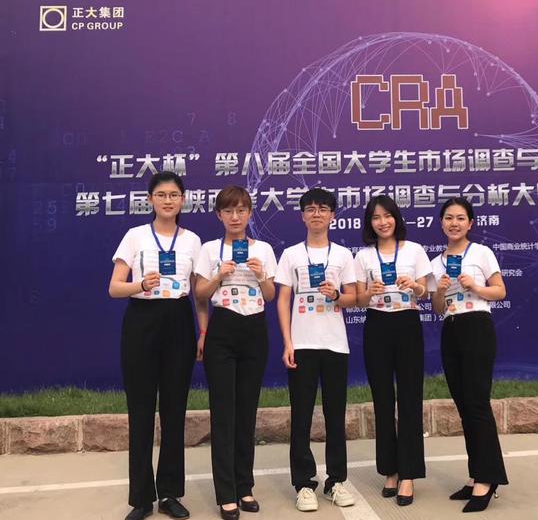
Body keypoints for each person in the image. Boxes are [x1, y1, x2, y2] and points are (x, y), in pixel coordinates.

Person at [108, 171, 206, 520]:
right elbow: (114, 288)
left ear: (183, 200)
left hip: (179, 323)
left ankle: (169, 493)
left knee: (174, 412)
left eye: (174, 195)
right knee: (141, 412)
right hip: (141, 324)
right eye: (161, 195)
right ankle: (141, 499)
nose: (168, 200)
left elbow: (199, 294)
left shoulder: (192, 241)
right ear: (150, 199)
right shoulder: (135, 236)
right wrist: (140, 284)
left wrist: (203, 332)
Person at [194, 186, 277, 520]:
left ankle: (245, 486)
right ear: (219, 215)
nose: (235, 216)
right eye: (228, 210)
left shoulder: (264, 249)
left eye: (241, 210)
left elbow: (270, 295)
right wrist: (219, 274)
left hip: (254, 329)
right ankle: (225, 493)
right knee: (224, 412)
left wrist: (260, 275)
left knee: (247, 411)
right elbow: (200, 294)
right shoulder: (209, 249)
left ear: (250, 213)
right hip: (223, 329)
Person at [274, 188, 358, 512]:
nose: (317, 214)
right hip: (302, 345)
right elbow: (283, 299)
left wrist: (336, 295)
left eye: (323, 209)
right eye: (310, 209)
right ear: (302, 216)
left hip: (335, 344)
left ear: (332, 215)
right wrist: (288, 342)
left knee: (335, 415)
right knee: (301, 416)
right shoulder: (291, 254)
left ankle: (336, 481)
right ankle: (303, 483)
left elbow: (353, 297)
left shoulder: (343, 255)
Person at [429, 197, 509, 513]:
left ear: (470, 223)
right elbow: (437, 308)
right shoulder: (436, 263)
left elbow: (500, 291)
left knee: (477, 403)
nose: (454, 223)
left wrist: (474, 286)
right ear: (441, 223)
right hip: (451, 328)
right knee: (464, 406)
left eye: (461, 218)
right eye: (449, 218)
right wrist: (439, 290)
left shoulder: (481, 252)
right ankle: (478, 473)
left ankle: (486, 479)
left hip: (477, 325)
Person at [354, 195, 432, 506]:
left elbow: (426, 293)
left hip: (407, 323)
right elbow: (358, 300)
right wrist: (368, 293)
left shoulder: (414, 250)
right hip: (377, 325)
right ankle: (390, 470)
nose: (382, 222)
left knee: (410, 398)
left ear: (396, 218)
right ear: (370, 223)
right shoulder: (364, 256)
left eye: (387, 216)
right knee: (383, 400)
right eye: (376, 217)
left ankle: (408, 474)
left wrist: (414, 286)